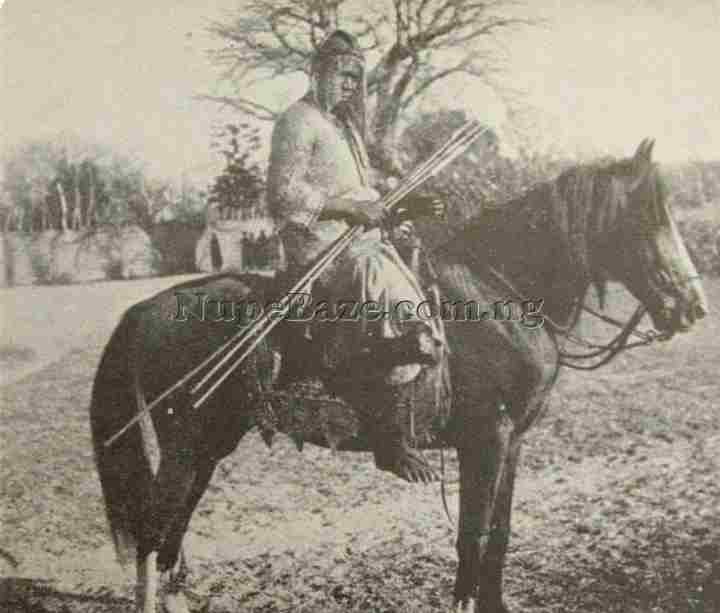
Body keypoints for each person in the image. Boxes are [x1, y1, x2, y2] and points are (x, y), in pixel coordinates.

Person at [266, 29, 443, 482]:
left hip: (358, 239)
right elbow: (283, 195)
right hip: (320, 248)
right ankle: (389, 441)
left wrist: (396, 213)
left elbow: (364, 197)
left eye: (355, 78)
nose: (349, 85)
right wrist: (351, 209)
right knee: (397, 304)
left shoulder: (344, 128)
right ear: (319, 71)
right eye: (343, 74)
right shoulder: (297, 120)